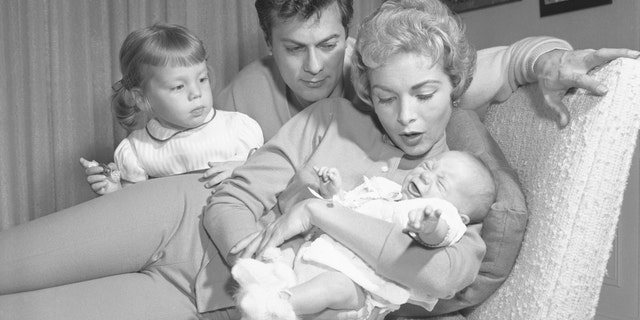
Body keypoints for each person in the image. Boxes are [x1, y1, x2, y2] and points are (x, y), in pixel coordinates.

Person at [0, 0, 636, 319]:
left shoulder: (457, 188)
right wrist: (257, 245)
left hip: (207, 296)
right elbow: (232, 192)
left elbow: (435, 276)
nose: (404, 115)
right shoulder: (330, 116)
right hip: (179, 214)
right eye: (386, 97)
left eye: (422, 95)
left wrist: (317, 215)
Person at [231, 150, 496, 320]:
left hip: (357, 284)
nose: (426, 176)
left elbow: (443, 232)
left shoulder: (437, 215)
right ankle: (268, 278)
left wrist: (430, 227)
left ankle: (276, 304)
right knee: (290, 250)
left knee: (331, 288)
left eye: (440, 183)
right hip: (320, 254)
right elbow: (348, 213)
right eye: (429, 166)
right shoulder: (386, 191)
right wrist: (332, 195)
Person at [80, 24, 262, 195]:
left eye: (202, 79)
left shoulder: (237, 129)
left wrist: (244, 168)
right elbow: (135, 206)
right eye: (179, 87)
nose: (196, 93)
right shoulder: (137, 151)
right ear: (142, 99)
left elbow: (269, 176)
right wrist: (114, 189)